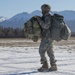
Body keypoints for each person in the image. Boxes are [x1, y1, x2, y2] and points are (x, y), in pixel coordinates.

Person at [35, 4, 57, 72]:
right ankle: (53, 66)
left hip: (47, 37)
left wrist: (39, 19)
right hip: (50, 36)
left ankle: (45, 66)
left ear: (45, 9)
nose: (42, 11)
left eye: (42, 9)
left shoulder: (47, 16)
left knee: (41, 50)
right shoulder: (47, 16)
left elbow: (45, 26)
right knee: (50, 51)